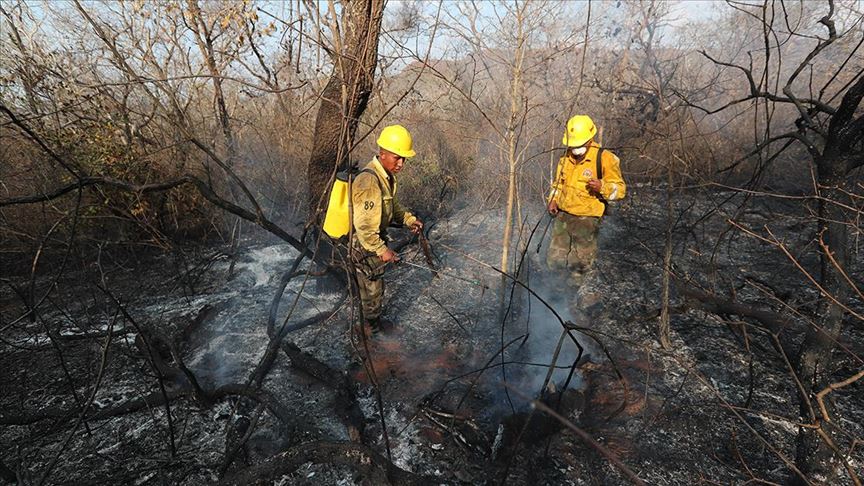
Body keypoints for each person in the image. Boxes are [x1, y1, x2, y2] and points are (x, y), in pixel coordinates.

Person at [351, 124, 423, 334]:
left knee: (375, 285)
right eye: (397, 158)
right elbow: (364, 227)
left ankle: (373, 323)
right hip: (365, 244)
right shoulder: (369, 181)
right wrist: (382, 250)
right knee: (372, 288)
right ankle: (369, 332)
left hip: (373, 240)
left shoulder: (385, 176)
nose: (401, 163)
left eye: (404, 159)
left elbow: (391, 206)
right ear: (382, 153)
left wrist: (408, 220)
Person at [546, 115, 626, 286]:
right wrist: (553, 199)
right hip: (563, 215)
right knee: (555, 258)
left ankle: (573, 292)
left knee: (580, 263)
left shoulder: (605, 158)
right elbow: (558, 183)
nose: (575, 149)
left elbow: (620, 190)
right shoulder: (565, 158)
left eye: (579, 144)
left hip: (587, 219)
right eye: (573, 145)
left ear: (590, 139)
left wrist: (602, 187)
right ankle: (554, 290)